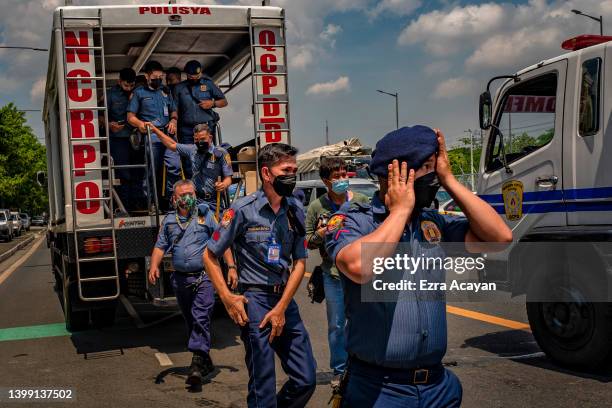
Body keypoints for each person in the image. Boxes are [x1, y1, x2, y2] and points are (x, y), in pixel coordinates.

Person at [325, 126, 513, 407]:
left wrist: (450, 180)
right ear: (397, 174)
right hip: (380, 390)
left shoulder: (431, 221)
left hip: (438, 388)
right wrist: (399, 211)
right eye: (427, 168)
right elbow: (358, 266)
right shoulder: (355, 220)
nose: (435, 176)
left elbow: (500, 238)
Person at [203, 143, 317, 408]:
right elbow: (209, 256)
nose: (292, 175)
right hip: (254, 300)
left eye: (294, 170)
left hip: (284, 302)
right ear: (267, 174)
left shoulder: (295, 209)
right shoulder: (243, 209)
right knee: (263, 385)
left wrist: (282, 307)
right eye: (285, 170)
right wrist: (228, 297)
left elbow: (300, 261)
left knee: (305, 379)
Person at [148, 179, 237, 386]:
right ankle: (205, 360)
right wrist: (153, 266)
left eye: (190, 193)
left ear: (195, 195)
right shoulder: (169, 221)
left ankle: (196, 363)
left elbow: (222, 241)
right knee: (191, 319)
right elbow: (160, 246)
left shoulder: (205, 215)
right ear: (174, 198)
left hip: (204, 277)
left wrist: (231, 267)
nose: (187, 197)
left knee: (201, 315)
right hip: (180, 280)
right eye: (182, 195)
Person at [304, 157, 370, 389]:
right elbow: (307, 242)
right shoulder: (317, 207)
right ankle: (340, 370)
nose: (343, 180)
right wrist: (321, 234)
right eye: (337, 177)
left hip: (360, 273)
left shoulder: (362, 201)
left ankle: (363, 366)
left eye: (344, 175)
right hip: (332, 275)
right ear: (325, 181)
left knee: (363, 321)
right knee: (337, 325)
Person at [127, 60, 182, 210]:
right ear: (147, 76)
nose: (158, 79)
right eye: (155, 77)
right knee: (152, 171)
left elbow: (174, 111)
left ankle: (171, 201)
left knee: (174, 167)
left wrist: (173, 120)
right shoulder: (139, 93)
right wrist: (140, 124)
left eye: (160, 76)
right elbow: (130, 117)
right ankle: (151, 203)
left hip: (168, 135)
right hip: (151, 135)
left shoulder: (165, 91)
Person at [148, 123, 232, 213]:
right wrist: (156, 130)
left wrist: (223, 185)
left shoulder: (221, 153)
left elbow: (228, 178)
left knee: (215, 225)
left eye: (203, 139)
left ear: (210, 138)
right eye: (196, 139)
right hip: (195, 200)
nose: (199, 142)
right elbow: (171, 144)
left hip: (214, 201)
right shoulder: (192, 150)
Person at [173, 60, 228, 179]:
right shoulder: (179, 88)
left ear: (201, 73)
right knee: (188, 160)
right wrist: (173, 122)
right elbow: (174, 109)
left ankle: (209, 185)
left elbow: (224, 102)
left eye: (197, 76)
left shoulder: (208, 84)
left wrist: (212, 103)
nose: (194, 78)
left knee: (208, 158)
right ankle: (192, 187)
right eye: (191, 76)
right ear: (186, 75)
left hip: (206, 128)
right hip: (187, 130)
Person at [106, 67, 140, 212]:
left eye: (132, 85)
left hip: (137, 139)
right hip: (119, 140)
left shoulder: (139, 92)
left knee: (139, 173)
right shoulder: (110, 95)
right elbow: (100, 115)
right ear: (119, 82)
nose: (129, 88)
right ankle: (124, 207)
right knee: (123, 174)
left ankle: (139, 204)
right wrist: (108, 124)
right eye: (126, 85)